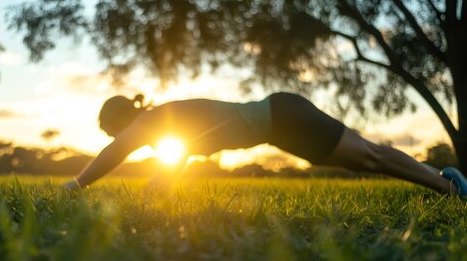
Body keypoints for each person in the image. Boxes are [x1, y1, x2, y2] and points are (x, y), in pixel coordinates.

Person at [64, 92, 467, 197]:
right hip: (281, 126)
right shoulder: (160, 124)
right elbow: (181, 154)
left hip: (283, 115)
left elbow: (115, 153)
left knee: (371, 155)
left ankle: (451, 187)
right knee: (365, 162)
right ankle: (439, 179)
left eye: (110, 132)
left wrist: (76, 184)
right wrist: (158, 188)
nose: (115, 140)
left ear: (118, 120)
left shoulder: (147, 121)